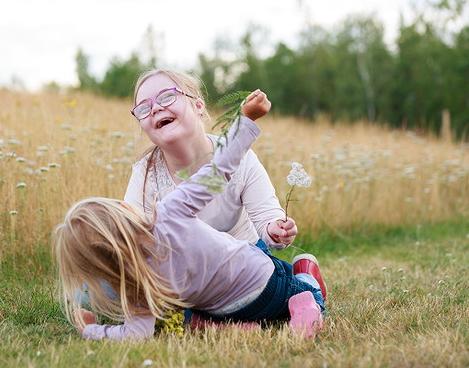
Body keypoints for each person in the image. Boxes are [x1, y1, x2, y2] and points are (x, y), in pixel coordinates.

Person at [52, 91, 327, 341]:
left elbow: (136, 334)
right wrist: (246, 120)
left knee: (178, 311)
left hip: (220, 312)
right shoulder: (170, 211)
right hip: (266, 283)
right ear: (125, 209)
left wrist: (90, 330)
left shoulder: (139, 287)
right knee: (302, 288)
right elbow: (220, 169)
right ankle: (306, 295)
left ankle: (227, 326)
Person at [124, 69, 297, 255]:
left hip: (244, 257)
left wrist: (276, 230)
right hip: (186, 272)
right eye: (144, 108)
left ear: (198, 106)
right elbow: (135, 238)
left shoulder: (240, 156)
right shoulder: (145, 173)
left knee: (272, 282)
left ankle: (306, 272)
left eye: (167, 97)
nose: (155, 108)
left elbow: (267, 216)